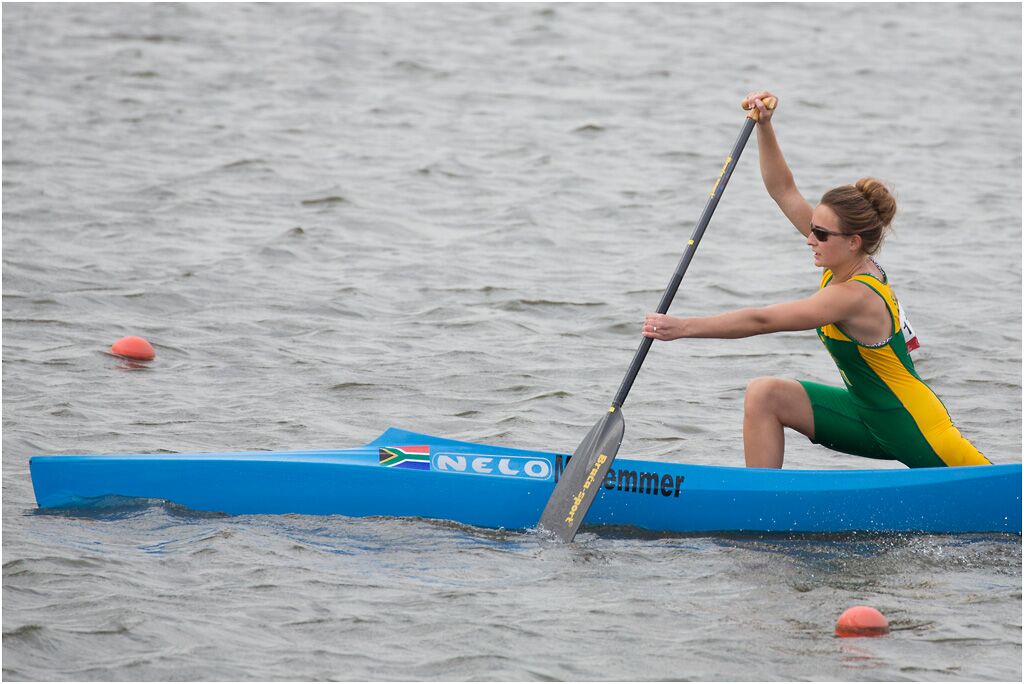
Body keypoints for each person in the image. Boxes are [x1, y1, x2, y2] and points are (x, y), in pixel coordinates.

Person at [642, 90, 990, 470]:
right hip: (867, 415)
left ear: (853, 242)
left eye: (820, 234)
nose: (810, 239)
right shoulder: (841, 261)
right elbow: (783, 190)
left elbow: (764, 320)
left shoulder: (855, 295)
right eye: (812, 229)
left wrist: (683, 328)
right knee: (765, 394)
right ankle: (761, 500)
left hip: (915, 426)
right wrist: (765, 127)